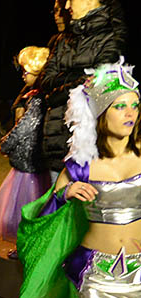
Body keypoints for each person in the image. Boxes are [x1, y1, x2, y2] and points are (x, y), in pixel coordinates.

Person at [17, 58, 141, 298]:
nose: (130, 113)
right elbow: (40, 214)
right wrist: (64, 193)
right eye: (120, 105)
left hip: (139, 270)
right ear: (101, 114)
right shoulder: (81, 164)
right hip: (94, 270)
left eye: (135, 105)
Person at [38, 0, 126, 178]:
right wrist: (79, 78)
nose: (67, 5)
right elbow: (44, 82)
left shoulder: (112, 37)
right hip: (55, 149)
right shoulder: (63, 39)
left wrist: (57, 91)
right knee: (55, 203)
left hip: (90, 155)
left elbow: (98, 89)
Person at [0, 47, 53, 254]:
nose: (23, 74)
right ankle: (26, 245)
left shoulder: (38, 99)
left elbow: (25, 127)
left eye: (26, 71)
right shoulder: (35, 96)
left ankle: (25, 246)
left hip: (29, 164)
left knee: (23, 208)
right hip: (32, 162)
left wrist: (6, 143)